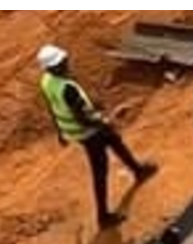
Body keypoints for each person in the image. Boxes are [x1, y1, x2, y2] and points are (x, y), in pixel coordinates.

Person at [36, 44, 158, 229]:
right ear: (54, 67)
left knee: (115, 140)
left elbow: (51, 107)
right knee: (100, 170)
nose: (66, 62)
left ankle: (137, 170)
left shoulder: (46, 80)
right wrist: (104, 122)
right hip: (87, 132)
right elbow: (83, 119)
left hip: (75, 130)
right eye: (62, 62)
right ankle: (103, 216)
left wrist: (60, 131)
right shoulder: (68, 89)